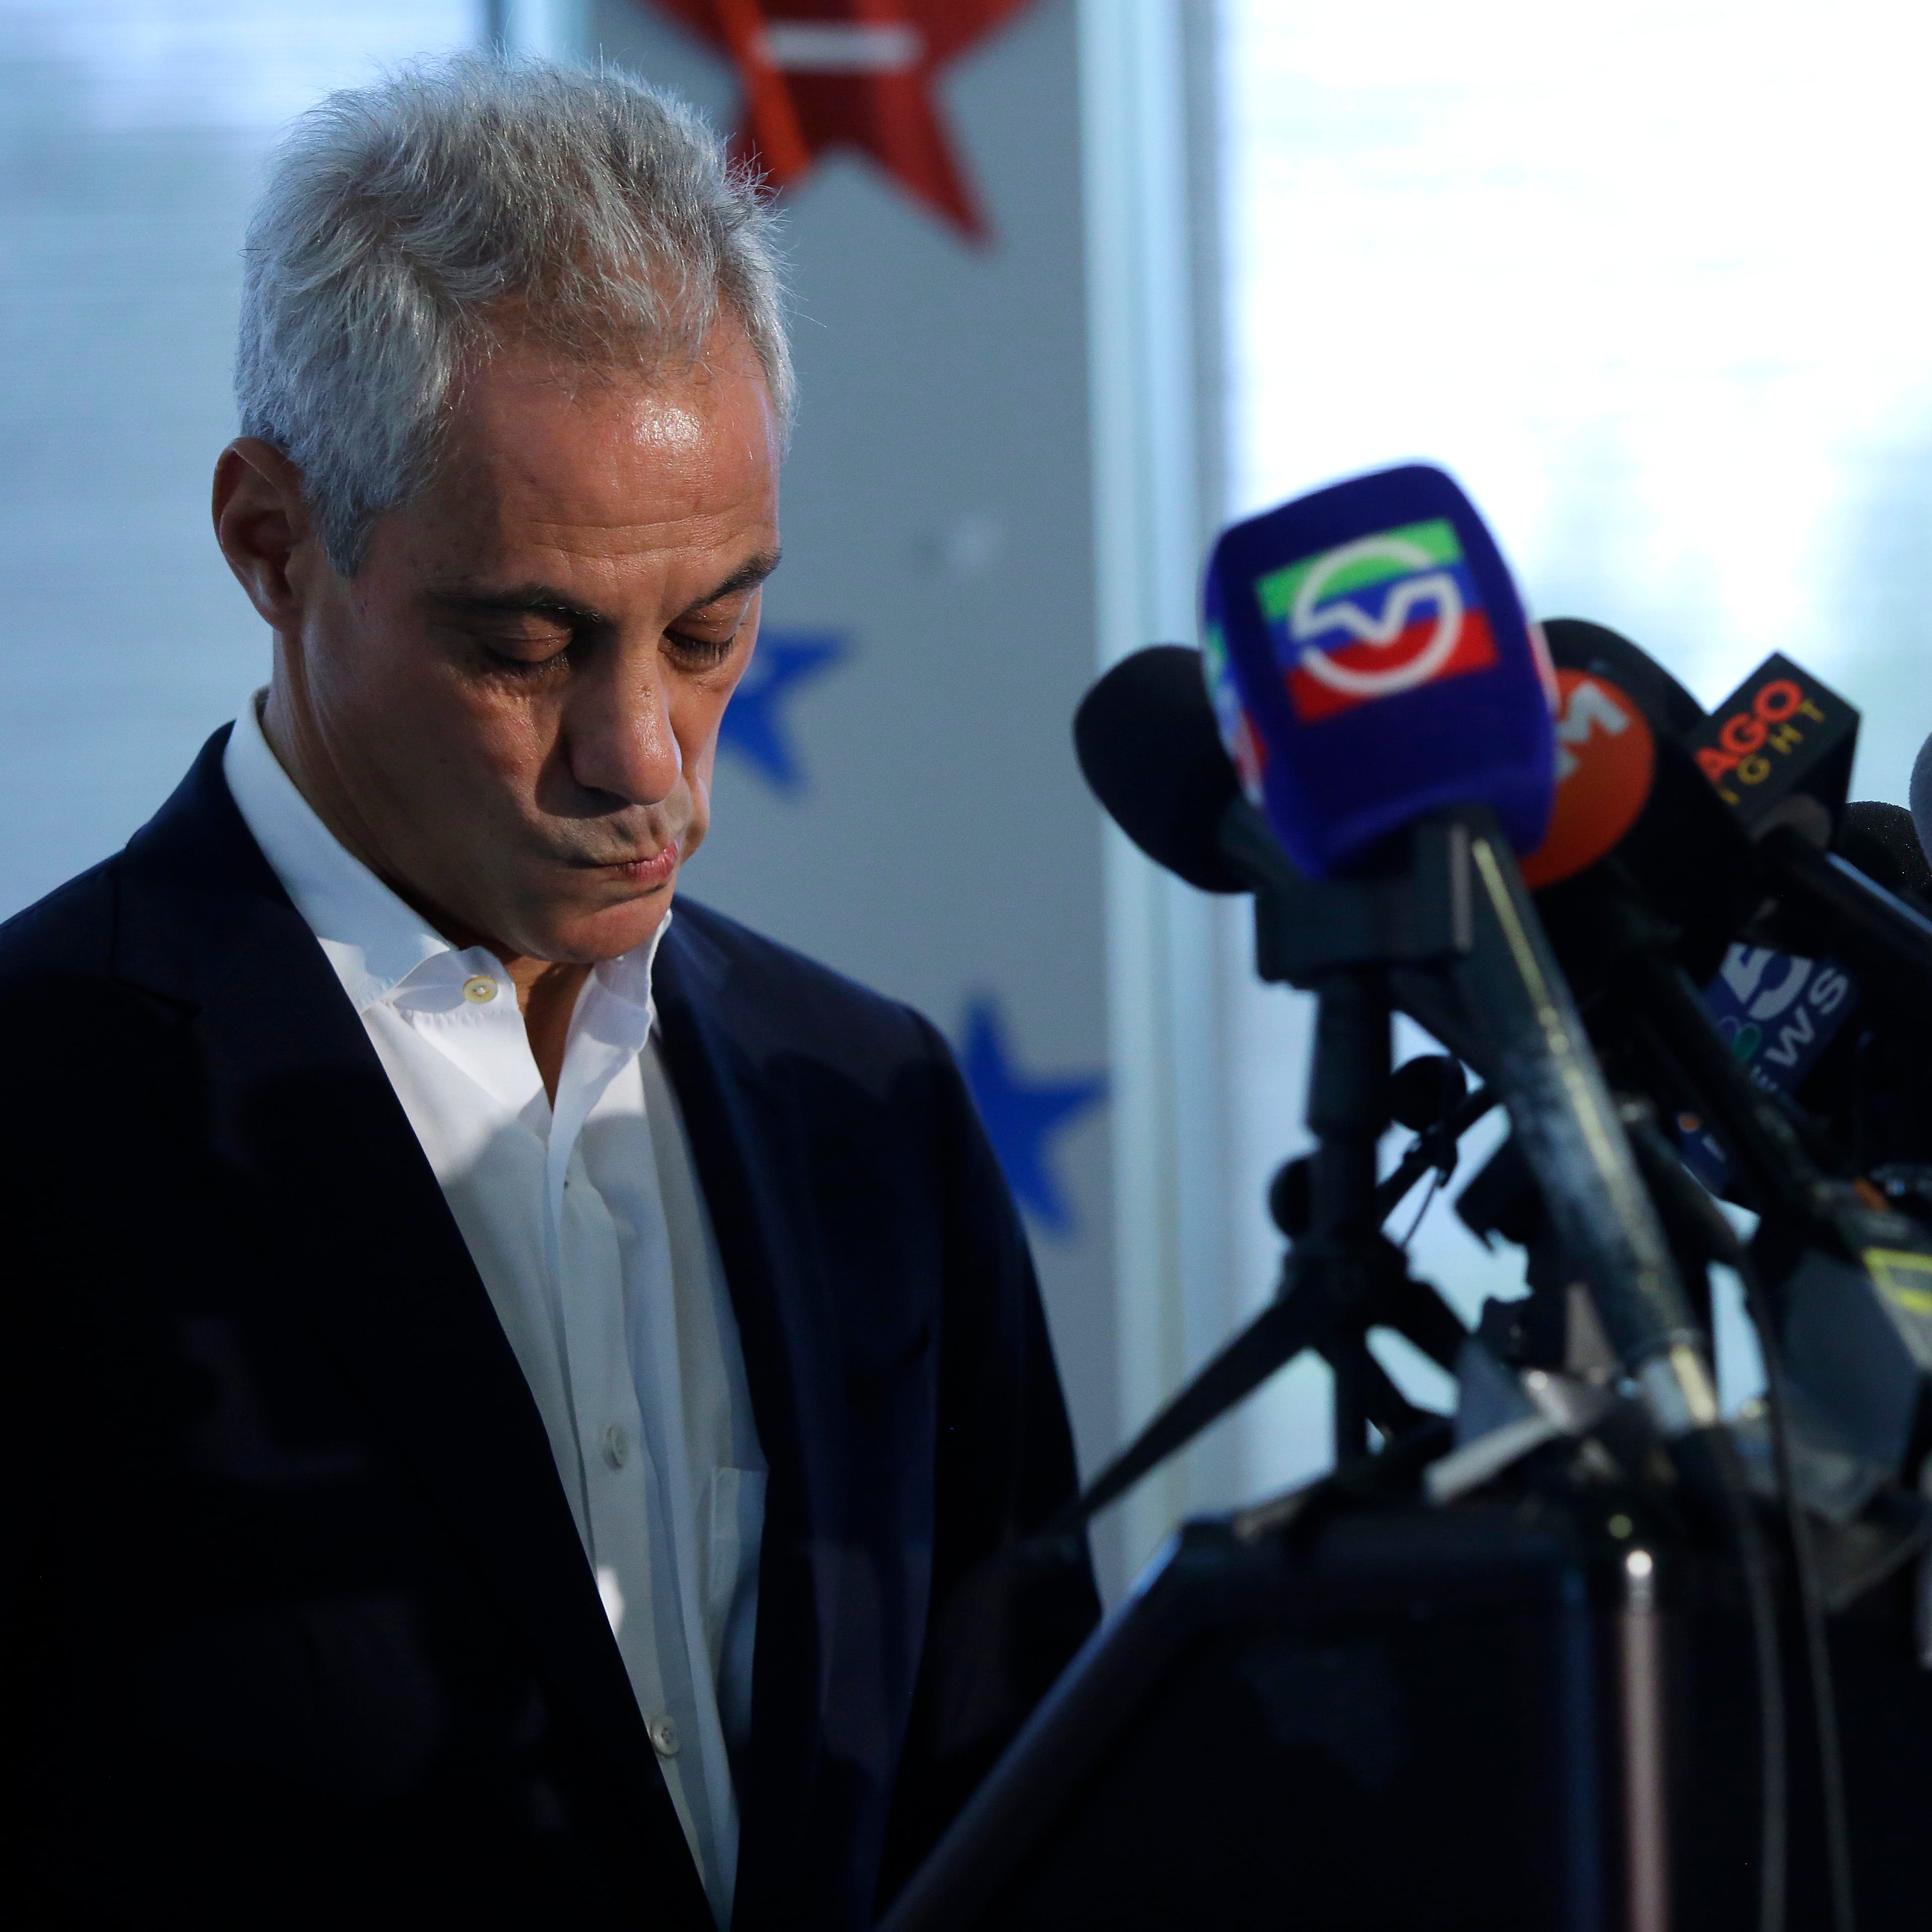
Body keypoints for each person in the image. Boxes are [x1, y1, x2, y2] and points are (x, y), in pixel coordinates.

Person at [0, 56, 1097, 1931]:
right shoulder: (39, 1110)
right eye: (527, 644)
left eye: (712, 630)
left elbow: (1031, 1814)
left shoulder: (871, 1104)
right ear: (271, 541)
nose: (645, 756)